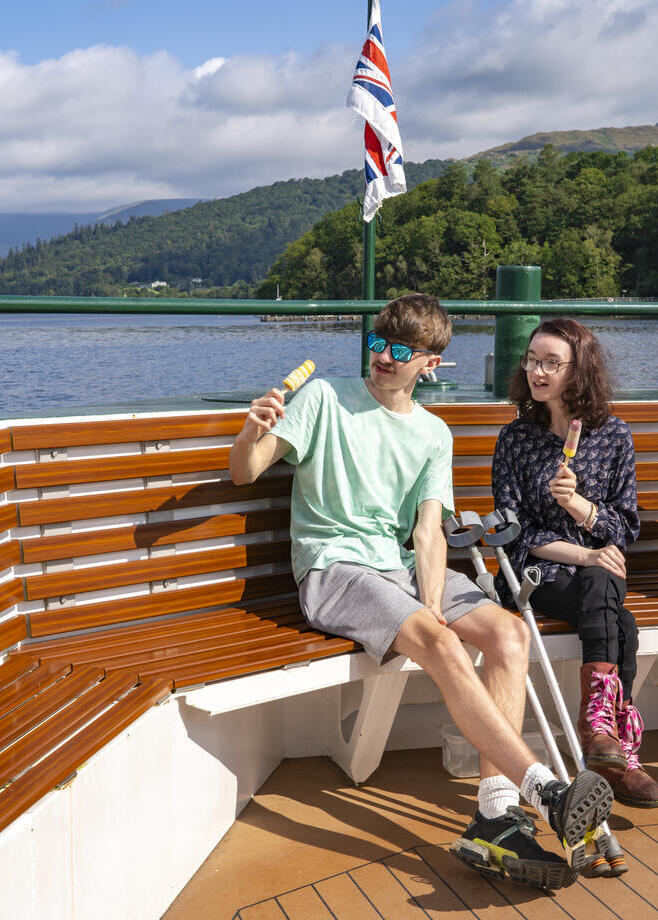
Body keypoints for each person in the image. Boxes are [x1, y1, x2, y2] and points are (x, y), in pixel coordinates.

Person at [229, 294, 613, 890]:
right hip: (335, 569)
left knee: (508, 631)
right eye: (379, 343)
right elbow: (245, 472)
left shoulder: (433, 433)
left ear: (429, 363)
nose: (384, 357)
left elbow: (428, 531)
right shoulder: (324, 397)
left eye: (401, 350)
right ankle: (542, 791)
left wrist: (430, 603)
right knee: (439, 640)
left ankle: (493, 812)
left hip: (400, 567)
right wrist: (252, 430)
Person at [492, 317, 657, 808]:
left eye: (551, 363)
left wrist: (579, 507)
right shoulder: (516, 439)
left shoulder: (613, 436)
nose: (538, 372)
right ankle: (614, 749)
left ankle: (602, 736)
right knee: (615, 612)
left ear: (577, 369)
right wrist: (583, 551)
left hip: (597, 574)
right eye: (532, 361)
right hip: (538, 571)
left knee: (607, 593)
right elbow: (511, 532)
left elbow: (625, 527)